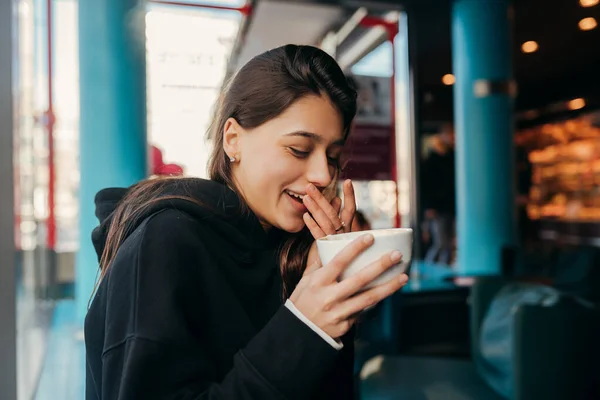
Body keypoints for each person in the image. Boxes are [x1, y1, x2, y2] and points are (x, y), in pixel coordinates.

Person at [85, 44, 409, 400]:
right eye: (299, 149)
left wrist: (335, 290)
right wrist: (304, 328)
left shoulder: (296, 251)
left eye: (332, 156)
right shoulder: (166, 240)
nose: (322, 173)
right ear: (233, 140)